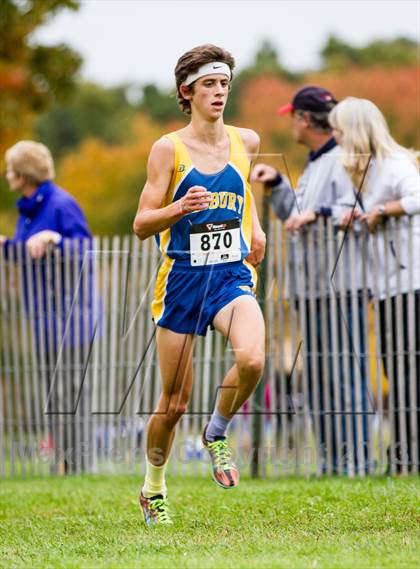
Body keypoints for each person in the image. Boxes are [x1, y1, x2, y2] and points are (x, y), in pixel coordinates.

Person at [133, 44, 266, 525]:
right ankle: (154, 489)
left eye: (225, 83)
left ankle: (217, 432)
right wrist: (178, 208)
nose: (219, 92)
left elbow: (244, 192)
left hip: (230, 275)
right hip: (183, 278)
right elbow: (142, 223)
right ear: (186, 92)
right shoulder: (168, 149)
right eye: (209, 84)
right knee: (173, 403)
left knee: (252, 358)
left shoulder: (246, 140)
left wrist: (255, 230)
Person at [251, 86, 372, 475]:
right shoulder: (315, 163)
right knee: (319, 379)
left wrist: (319, 212)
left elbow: (360, 210)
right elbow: (296, 217)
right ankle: (332, 463)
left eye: (293, 116)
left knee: (346, 377)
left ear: (305, 119)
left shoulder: (344, 160)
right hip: (312, 291)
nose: (291, 122)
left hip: (343, 289)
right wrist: (278, 186)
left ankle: (356, 463)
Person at [329, 97, 420, 474]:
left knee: (408, 371)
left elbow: (417, 197)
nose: (333, 136)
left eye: (337, 128)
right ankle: (402, 456)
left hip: (412, 282)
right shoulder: (357, 173)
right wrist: (351, 217)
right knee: (392, 370)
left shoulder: (396, 164)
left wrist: (382, 211)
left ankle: (407, 457)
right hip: (384, 287)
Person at [1, 140, 93, 474]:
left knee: (71, 394)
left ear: (24, 174)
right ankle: (63, 462)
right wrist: (7, 247)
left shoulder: (61, 204)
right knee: (52, 396)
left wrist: (55, 239)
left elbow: (85, 249)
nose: (7, 174)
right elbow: (27, 254)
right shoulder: (28, 209)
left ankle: (79, 464)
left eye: (11, 168)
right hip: (40, 319)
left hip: (72, 319)